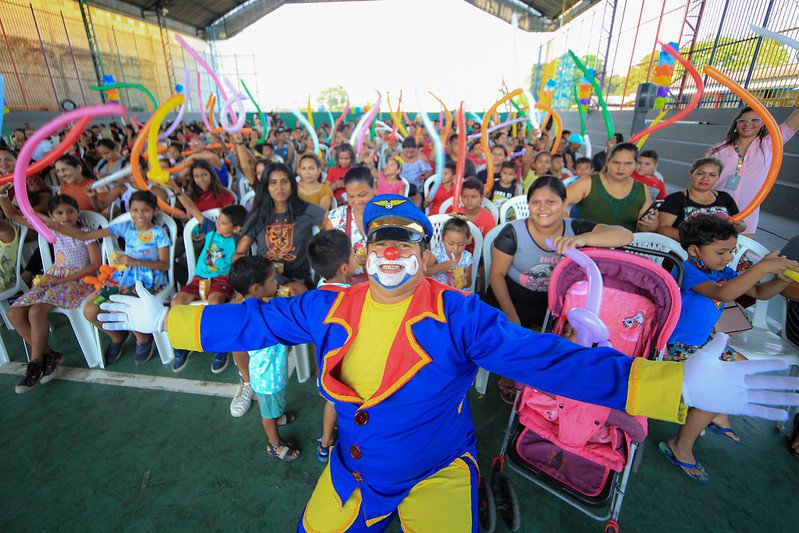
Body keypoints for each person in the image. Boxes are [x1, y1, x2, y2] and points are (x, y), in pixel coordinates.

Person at [99, 193, 799, 531]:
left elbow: (548, 360)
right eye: (380, 239)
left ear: (429, 251)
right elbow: (254, 318)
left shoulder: (458, 313)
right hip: (354, 473)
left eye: (406, 240)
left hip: (438, 472)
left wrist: (670, 381)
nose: (393, 252)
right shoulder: (330, 306)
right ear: (365, 249)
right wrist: (172, 318)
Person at [659, 214, 798, 482]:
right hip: (675, 347)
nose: (727, 257)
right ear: (694, 250)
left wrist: (780, 278)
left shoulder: (722, 272)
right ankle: (681, 445)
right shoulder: (689, 271)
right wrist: (761, 267)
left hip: (702, 344)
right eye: (721, 251)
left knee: (744, 370)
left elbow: (759, 293)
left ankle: (709, 414)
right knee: (718, 388)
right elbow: (723, 294)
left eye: (731, 251)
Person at [485, 177, 633, 329]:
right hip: (510, 301)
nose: (543, 208)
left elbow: (625, 235)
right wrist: (511, 316)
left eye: (551, 202)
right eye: (536, 202)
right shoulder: (513, 232)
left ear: (564, 204)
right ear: (528, 205)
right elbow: (497, 275)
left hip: (554, 308)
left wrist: (582, 238)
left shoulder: (575, 229)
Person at [1, 191, 101, 393]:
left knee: (36, 311)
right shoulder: (52, 230)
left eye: (70, 211)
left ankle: (35, 363)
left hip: (77, 282)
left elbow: (94, 265)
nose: (66, 217)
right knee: (14, 312)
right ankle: (49, 356)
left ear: (77, 211)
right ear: (51, 215)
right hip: (52, 279)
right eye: (60, 213)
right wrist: (3, 194)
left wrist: (62, 280)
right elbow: (13, 215)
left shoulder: (86, 233)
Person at [62, 190, 170, 365]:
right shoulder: (124, 226)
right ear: (130, 210)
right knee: (90, 311)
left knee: (117, 308)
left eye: (145, 210)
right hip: (123, 277)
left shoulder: (159, 233)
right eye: (135, 210)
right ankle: (117, 336)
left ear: (155, 211)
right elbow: (84, 236)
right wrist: (53, 225)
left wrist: (133, 260)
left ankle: (143, 338)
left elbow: (164, 265)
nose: (140, 215)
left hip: (147, 279)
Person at [168, 180, 247, 373]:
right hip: (199, 279)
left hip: (222, 280)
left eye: (223, 223)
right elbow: (193, 209)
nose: (218, 224)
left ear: (236, 228)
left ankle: (220, 347)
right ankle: (183, 344)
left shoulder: (239, 241)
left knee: (215, 302)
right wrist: (177, 190)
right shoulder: (211, 230)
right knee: (177, 302)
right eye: (218, 220)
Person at [229, 256, 300, 461]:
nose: (277, 283)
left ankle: (277, 416)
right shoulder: (258, 316)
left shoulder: (258, 306)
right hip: (267, 377)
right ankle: (274, 444)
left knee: (271, 404)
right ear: (257, 288)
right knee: (267, 412)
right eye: (272, 280)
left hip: (272, 372)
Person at [235, 163, 331, 295]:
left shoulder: (305, 210)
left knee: (289, 294)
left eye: (284, 182)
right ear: (266, 187)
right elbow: (239, 254)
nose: (279, 188)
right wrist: (253, 273)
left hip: (297, 279)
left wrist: (320, 250)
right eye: (273, 183)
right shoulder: (258, 216)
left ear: (292, 184)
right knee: (245, 302)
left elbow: (332, 224)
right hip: (263, 280)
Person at [707, 103, 799, 235]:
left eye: (754, 120)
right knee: (710, 250)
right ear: (736, 125)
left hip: (749, 211)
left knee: (741, 253)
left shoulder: (769, 144)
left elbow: (793, 122)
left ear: (762, 124)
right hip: (717, 209)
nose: (747, 123)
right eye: (742, 120)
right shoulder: (719, 149)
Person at [308, 229, 358, 462]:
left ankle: (325, 442)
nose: (357, 256)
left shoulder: (318, 291)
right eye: (353, 254)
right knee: (349, 409)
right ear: (344, 268)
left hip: (325, 368)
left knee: (331, 403)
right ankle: (351, 446)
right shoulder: (351, 299)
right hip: (349, 372)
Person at [566, 142, 658, 233]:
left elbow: (646, 227)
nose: (621, 168)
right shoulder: (588, 183)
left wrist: (648, 224)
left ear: (635, 164)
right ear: (608, 162)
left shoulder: (641, 189)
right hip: (585, 244)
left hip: (624, 245)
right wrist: (569, 230)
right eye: (616, 162)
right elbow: (558, 201)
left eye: (628, 163)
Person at [657, 157, 743, 241]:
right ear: (691, 174)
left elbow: (741, 224)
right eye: (700, 173)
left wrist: (739, 226)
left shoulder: (725, 198)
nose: (705, 178)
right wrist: (697, 239)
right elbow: (663, 228)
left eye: (712, 175)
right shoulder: (674, 199)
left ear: (718, 177)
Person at [327, 166, 375, 283]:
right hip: (348, 285)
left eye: (362, 195)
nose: (357, 201)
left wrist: (373, 258)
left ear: (374, 189)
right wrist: (348, 260)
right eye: (351, 196)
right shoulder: (337, 217)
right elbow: (328, 253)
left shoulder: (386, 216)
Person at [426, 216, 473, 290]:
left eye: (461, 244)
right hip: (438, 291)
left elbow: (469, 284)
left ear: (467, 240)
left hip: (458, 293)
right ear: (443, 239)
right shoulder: (438, 251)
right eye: (451, 244)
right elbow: (425, 272)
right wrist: (441, 266)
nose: (455, 248)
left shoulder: (467, 257)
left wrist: (465, 280)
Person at [398, 137, 432, 207]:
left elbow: (430, 172)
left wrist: (425, 176)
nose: (409, 155)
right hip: (399, 187)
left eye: (412, 152)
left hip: (416, 190)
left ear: (416, 149)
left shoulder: (421, 157)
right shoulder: (398, 156)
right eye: (406, 152)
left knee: (415, 206)